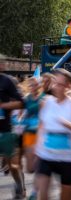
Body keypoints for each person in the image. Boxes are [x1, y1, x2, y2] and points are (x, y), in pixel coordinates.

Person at [35, 69, 71, 200]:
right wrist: (36, 150)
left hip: (68, 159)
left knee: (66, 196)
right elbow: (41, 127)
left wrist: (70, 125)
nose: (56, 87)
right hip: (46, 156)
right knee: (42, 194)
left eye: (61, 84)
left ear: (69, 86)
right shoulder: (45, 102)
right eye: (55, 83)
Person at [0, 54, 26, 199]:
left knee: (13, 166)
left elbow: (21, 102)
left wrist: (3, 105)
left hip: (5, 129)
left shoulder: (7, 81)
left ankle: (18, 185)